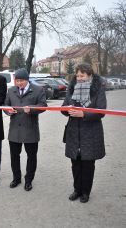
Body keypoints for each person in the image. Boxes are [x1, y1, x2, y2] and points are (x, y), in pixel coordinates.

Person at [62, 63, 107, 203]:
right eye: (77, 75)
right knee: (75, 163)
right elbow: (64, 107)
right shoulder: (72, 88)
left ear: (89, 75)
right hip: (74, 132)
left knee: (88, 164)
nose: (79, 78)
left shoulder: (98, 89)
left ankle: (86, 192)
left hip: (91, 132)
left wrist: (83, 114)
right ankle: (77, 190)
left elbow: (101, 111)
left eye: (82, 75)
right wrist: (66, 110)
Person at [4, 68, 47, 191]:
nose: (19, 83)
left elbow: (43, 106)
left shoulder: (38, 90)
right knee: (14, 156)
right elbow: (5, 105)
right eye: (17, 81)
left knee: (31, 156)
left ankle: (29, 180)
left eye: (21, 81)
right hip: (14, 130)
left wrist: (32, 109)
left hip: (30, 129)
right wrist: (8, 110)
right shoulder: (11, 90)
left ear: (27, 80)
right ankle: (16, 178)